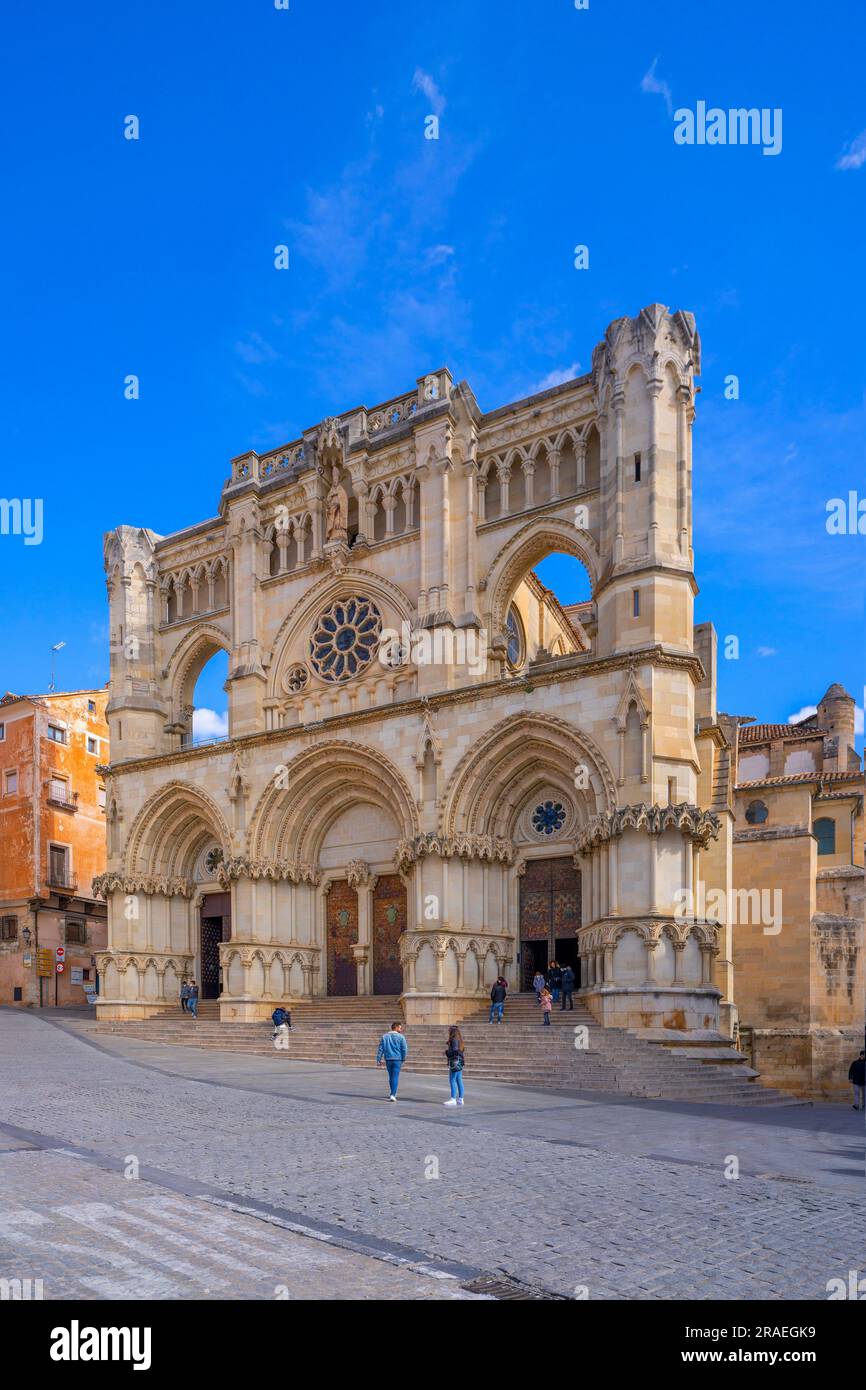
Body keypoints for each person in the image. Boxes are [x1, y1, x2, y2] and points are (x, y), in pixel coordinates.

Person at [376, 1021, 408, 1101]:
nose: (401, 1029)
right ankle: (393, 1094)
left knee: (391, 1076)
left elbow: (381, 1048)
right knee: (395, 1076)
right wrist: (403, 1058)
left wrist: (378, 1059)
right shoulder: (401, 1037)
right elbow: (404, 1049)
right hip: (397, 1059)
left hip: (388, 1059)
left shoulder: (385, 1036)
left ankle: (392, 1092)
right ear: (396, 1027)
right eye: (400, 1028)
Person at [444, 1025, 465, 1106]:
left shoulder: (454, 1040)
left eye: (449, 1030)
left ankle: (453, 1099)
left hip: (455, 1062)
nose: (448, 1031)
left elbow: (455, 1051)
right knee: (459, 1080)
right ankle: (460, 1099)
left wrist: (447, 1052)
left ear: (452, 1032)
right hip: (460, 1062)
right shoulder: (460, 1040)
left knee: (452, 1079)